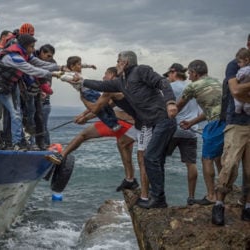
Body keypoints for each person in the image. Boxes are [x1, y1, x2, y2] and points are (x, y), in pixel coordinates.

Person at [70, 50, 177, 209]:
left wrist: (170, 102)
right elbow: (101, 85)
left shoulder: (141, 71)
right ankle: (158, 198)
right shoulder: (121, 81)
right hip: (148, 123)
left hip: (163, 120)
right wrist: (82, 80)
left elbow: (163, 82)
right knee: (155, 159)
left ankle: (157, 198)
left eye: (118, 61)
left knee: (150, 158)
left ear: (125, 62)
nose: (116, 63)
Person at [0, 34, 62, 150]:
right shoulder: (13, 57)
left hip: (4, 88)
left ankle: (17, 143)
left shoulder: (26, 55)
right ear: (25, 46)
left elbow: (41, 64)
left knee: (16, 114)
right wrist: (53, 74)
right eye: (32, 47)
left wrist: (60, 68)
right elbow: (32, 69)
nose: (34, 50)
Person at [46, 66, 139, 191]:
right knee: (125, 154)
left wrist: (83, 101)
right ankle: (130, 179)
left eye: (105, 74)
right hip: (124, 125)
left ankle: (62, 155)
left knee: (84, 135)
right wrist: (83, 115)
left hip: (122, 125)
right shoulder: (121, 87)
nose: (103, 77)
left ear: (111, 75)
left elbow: (96, 108)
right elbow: (102, 105)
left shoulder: (113, 89)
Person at [212, 37, 250, 226]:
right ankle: (219, 205)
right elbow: (235, 90)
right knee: (229, 166)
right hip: (237, 123)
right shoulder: (234, 65)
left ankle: (247, 207)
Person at [177, 60, 224, 205]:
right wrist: (191, 123)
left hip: (215, 124)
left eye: (189, 73)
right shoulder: (216, 82)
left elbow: (177, 107)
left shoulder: (192, 86)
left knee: (207, 159)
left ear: (195, 73)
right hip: (230, 121)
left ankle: (211, 196)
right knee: (219, 158)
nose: (188, 77)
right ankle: (224, 189)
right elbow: (210, 109)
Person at [163, 63, 200, 205]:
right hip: (190, 129)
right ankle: (191, 197)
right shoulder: (193, 87)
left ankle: (157, 193)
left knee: (157, 159)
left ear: (173, 72)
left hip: (172, 129)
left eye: (169, 75)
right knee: (191, 164)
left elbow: (164, 108)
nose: (168, 78)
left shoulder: (170, 88)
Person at [61, 56, 121, 133]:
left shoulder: (77, 71)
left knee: (106, 105)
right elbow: (62, 77)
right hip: (87, 93)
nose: (81, 66)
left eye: (80, 64)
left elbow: (84, 65)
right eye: (79, 64)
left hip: (93, 90)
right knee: (99, 110)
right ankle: (112, 125)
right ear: (72, 66)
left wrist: (90, 66)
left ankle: (115, 122)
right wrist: (71, 79)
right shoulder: (70, 74)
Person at [232, 48, 250, 115]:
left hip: (242, 89)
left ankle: (238, 112)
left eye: (239, 62)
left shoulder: (244, 70)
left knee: (238, 103)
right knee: (247, 105)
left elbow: (238, 78)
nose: (238, 64)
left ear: (246, 60)